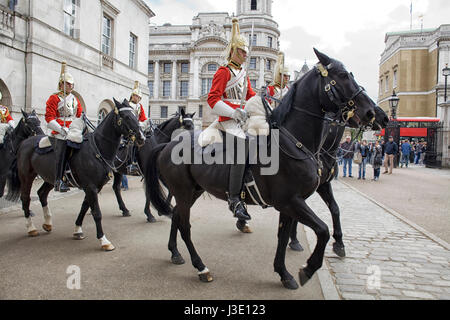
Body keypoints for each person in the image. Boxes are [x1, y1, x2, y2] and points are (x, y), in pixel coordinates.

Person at [206, 18, 256, 221]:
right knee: (242, 147)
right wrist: (234, 112)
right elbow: (213, 99)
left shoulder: (244, 74)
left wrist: (262, 106)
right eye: (243, 51)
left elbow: (251, 95)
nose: (246, 55)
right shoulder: (223, 71)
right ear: (234, 51)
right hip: (227, 121)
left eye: (246, 52)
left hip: (243, 120)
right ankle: (234, 198)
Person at [45, 62, 83, 192]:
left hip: (73, 128)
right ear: (61, 84)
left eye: (71, 84)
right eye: (67, 84)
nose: (70, 86)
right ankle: (58, 180)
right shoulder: (54, 98)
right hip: (59, 131)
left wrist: (78, 126)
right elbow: (49, 118)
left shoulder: (75, 99)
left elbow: (79, 115)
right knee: (62, 148)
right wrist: (61, 129)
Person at [128, 81, 148, 174]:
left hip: (136, 127)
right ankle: (131, 162)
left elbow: (143, 118)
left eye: (139, 97)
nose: (138, 99)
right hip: (128, 127)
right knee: (132, 142)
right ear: (133, 96)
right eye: (137, 96)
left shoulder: (140, 106)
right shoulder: (128, 104)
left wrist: (143, 123)